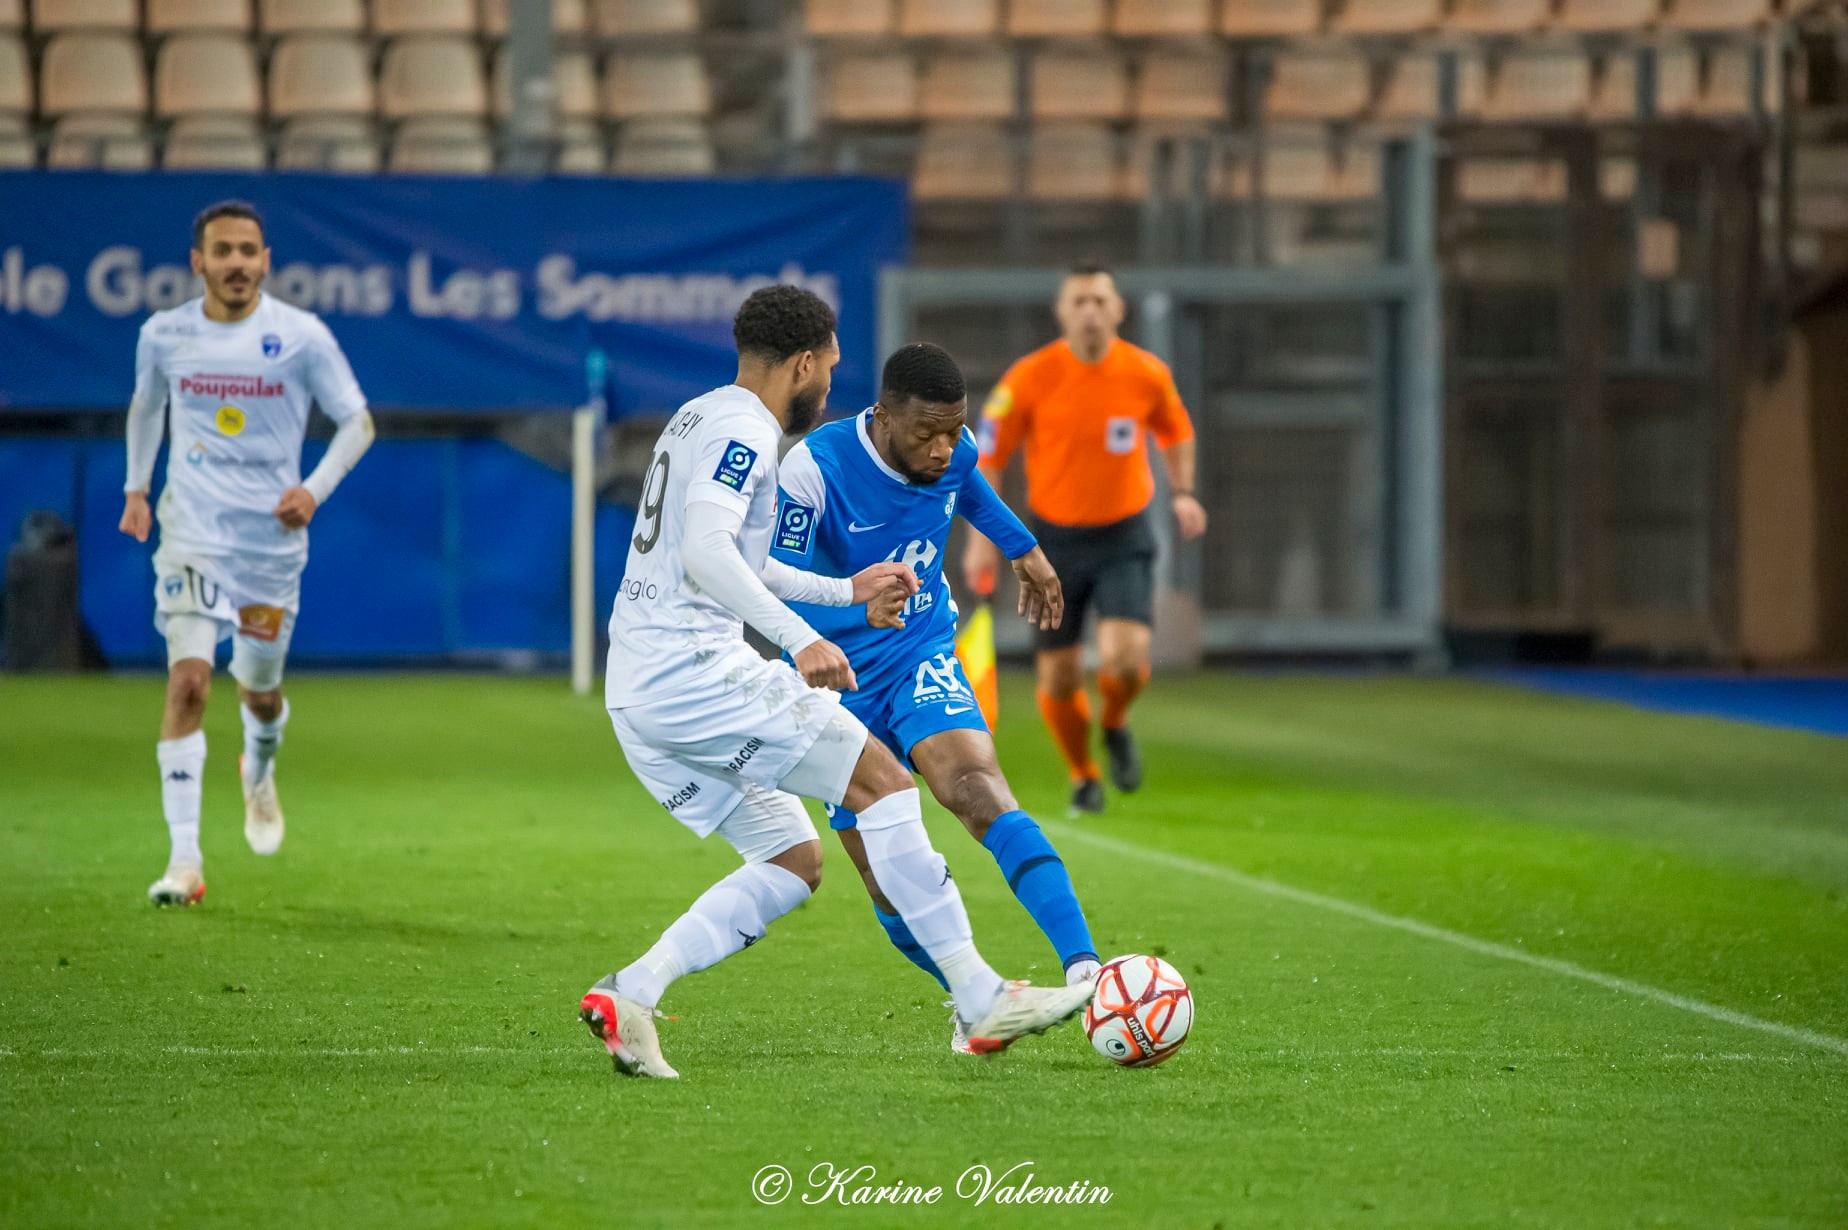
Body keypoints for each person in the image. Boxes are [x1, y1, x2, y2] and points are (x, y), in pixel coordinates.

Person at [580, 288, 1094, 1079]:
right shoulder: (752, 433)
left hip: (639, 689)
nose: (830, 383)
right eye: (829, 365)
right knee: (886, 785)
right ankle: (980, 996)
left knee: (793, 859)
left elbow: (745, 561)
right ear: (804, 363)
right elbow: (709, 555)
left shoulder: (697, 415)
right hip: (695, 673)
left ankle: (632, 991)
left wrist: (845, 591)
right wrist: (805, 639)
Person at [771, 342, 1101, 1054]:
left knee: (975, 787)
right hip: (837, 680)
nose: (944, 448)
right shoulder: (814, 470)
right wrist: (852, 605)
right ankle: (972, 999)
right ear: (884, 416)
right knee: (883, 880)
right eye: (928, 433)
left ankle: (1087, 972)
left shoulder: (951, 451)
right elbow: (771, 581)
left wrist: (1023, 549)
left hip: (919, 651)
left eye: (955, 430)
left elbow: (968, 483)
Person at [119, 200, 375, 907]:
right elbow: (146, 406)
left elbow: (357, 421)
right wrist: (137, 488)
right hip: (193, 534)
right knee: (189, 684)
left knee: (259, 693)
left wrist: (313, 491)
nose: (236, 262)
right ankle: (184, 862)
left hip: (269, 546)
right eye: (222, 250)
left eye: (247, 250)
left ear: (266, 261)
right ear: (197, 262)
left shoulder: (300, 336)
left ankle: (258, 769)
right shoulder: (164, 334)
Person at [964, 263, 1205, 816]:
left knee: (1125, 660)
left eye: (1100, 300)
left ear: (1119, 310)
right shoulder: (1029, 377)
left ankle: (1115, 722)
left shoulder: (1146, 374)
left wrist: (1184, 492)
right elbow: (988, 456)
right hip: (1052, 543)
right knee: (1059, 676)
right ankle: (1082, 773)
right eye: (1080, 301)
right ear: (1062, 311)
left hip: (1124, 534)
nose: (1090, 311)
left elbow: (1176, 430)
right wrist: (982, 540)